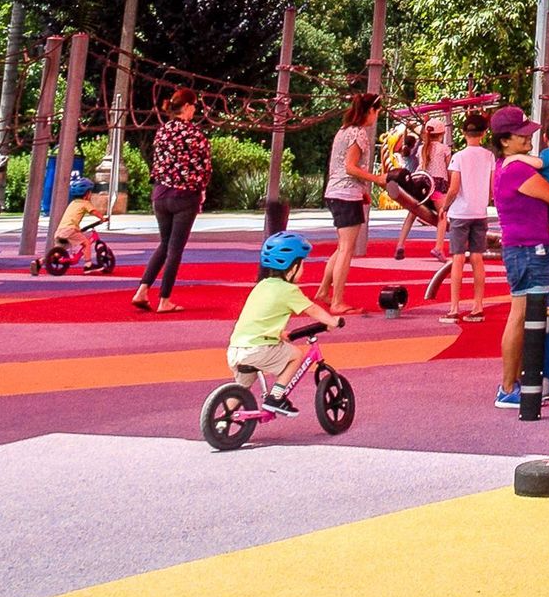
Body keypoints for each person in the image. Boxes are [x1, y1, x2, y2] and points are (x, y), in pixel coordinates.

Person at [490, 108, 549, 410]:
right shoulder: (516, 169)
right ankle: (507, 386)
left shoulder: (512, 166)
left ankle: (520, 380)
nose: (528, 136)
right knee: (522, 314)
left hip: (530, 248)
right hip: (529, 249)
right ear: (505, 140)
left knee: (528, 315)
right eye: (521, 133)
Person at [227, 229, 328, 412]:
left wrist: (279, 333)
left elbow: (259, 318)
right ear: (292, 267)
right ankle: (276, 397)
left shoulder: (262, 285)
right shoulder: (288, 290)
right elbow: (312, 309)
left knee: (241, 389)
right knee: (296, 355)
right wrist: (333, 321)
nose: (303, 268)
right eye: (302, 263)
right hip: (258, 349)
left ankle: (220, 420)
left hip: (236, 349)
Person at [134, 89, 212, 314]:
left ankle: (142, 289)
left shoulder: (162, 131)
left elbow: (156, 161)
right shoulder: (194, 134)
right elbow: (204, 166)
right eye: (194, 106)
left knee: (165, 244)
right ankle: (164, 299)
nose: (195, 110)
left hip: (160, 194)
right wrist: (201, 188)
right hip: (185, 196)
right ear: (187, 107)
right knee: (175, 249)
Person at [426, 120, 499, 312]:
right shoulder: (489, 156)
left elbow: (454, 187)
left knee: (458, 258)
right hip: (479, 211)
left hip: (460, 212)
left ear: (463, 133)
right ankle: (478, 305)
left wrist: (446, 206)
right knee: (477, 257)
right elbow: (492, 187)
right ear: (483, 133)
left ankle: (454, 307)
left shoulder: (458, 157)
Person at [324, 91, 384, 242]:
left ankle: (331, 268)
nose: (376, 117)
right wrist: (377, 179)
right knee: (346, 248)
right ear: (371, 110)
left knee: (342, 247)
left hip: (335, 191)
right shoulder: (358, 133)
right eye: (377, 112)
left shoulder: (344, 130)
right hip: (346, 194)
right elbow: (350, 167)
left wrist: (362, 190)